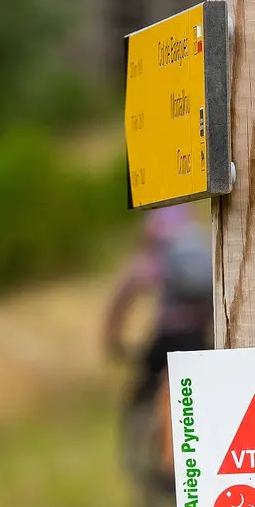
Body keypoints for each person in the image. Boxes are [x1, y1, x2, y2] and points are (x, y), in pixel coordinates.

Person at [104, 204, 213, 478]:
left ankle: (146, 456)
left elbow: (122, 300)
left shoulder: (155, 258)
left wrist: (114, 341)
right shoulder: (202, 249)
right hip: (199, 339)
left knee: (141, 396)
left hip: (166, 339)